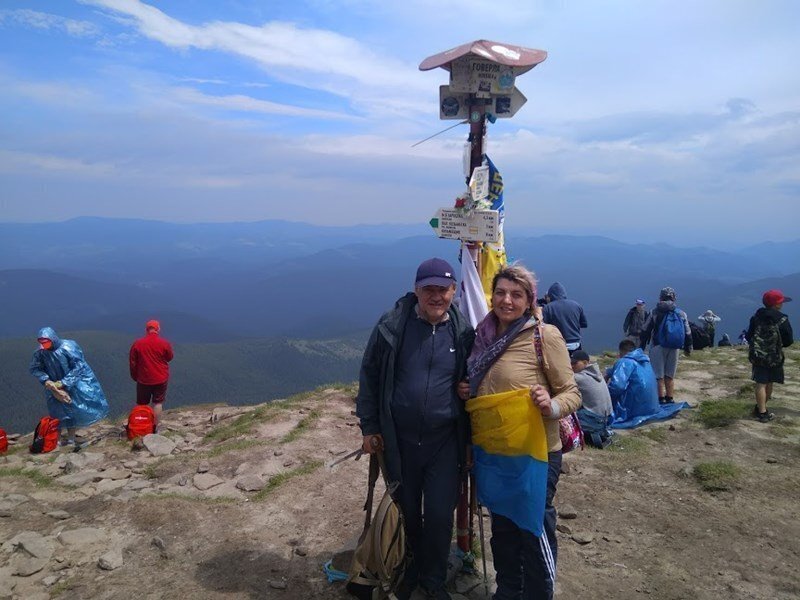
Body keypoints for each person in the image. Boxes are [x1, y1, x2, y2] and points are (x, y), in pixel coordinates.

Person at [356, 257, 475, 600]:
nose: (436, 296)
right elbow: (370, 376)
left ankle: (433, 580)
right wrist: (370, 427)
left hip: (444, 442)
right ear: (416, 290)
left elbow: (476, 376)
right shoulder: (392, 326)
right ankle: (408, 569)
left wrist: (470, 388)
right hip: (399, 441)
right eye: (429, 289)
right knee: (406, 510)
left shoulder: (463, 333)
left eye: (443, 289)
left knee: (438, 514)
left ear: (454, 291)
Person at [465, 265, 580, 600]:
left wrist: (550, 405)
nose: (507, 300)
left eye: (516, 295)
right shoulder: (483, 335)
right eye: (500, 292)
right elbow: (482, 384)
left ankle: (538, 593)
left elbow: (572, 393)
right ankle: (508, 591)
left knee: (532, 527)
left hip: (536, 451)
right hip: (495, 451)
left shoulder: (544, 336)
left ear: (530, 300)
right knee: (502, 527)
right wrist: (467, 389)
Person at [29, 327, 109, 446]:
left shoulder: (68, 347)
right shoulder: (40, 352)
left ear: (52, 339)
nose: (44, 345)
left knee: (72, 411)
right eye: (42, 342)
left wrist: (64, 382)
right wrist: (46, 380)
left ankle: (71, 438)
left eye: (46, 342)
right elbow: (35, 368)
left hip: (71, 385)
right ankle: (56, 439)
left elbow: (79, 366)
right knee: (56, 412)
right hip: (53, 387)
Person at [746, 289, 793, 423]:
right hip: (775, 357)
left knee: (760, 383)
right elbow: (788, 340)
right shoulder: (782, 319)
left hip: (758, 356)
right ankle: (762, 411)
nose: (782, 304)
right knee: (770, 382)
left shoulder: (756, 317)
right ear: (776, 304)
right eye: (781, 302)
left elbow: (749, 336)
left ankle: (761, 411)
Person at [640, 287, 692, 404]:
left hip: (657, 346)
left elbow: (645, 330)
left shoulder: (654, 312)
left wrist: (641, 347)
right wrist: (688, 348)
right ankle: (670, 398)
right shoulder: (681, 313)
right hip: (674, 346)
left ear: (661, 298)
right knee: (670, 375)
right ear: (674, 298)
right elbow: (688, 332)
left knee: (658, 375)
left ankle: (661, 399)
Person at [129, 319, 174, 428]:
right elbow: (169, 357)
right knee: (158, 403)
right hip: (161, 377)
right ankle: (155, 427)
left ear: (146, 329)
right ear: (158, 329)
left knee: (142, 404)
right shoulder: (164, 343)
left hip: (143, 379)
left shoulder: (137, 344)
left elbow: (133, 363)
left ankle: (141, 426)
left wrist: (135, 376)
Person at [607, 339, 659, 423]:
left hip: (635, 409)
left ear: (621, 351)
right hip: (652, 407)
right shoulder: (645, 360)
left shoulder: (624, 361)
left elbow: (617, 387)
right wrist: (610, 372)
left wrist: (605, 393)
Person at [571, 350, 613, 448]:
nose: (571, 366)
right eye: (571, 363)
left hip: (595, 419)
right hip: (607, 418)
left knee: (564, 409)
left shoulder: (578, 377)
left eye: (575, 363)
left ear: (585, 362)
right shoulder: (597, 374)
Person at [541, 282, 588, 355]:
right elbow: (584, 324)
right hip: (576, 344)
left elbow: (543, 327)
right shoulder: (576, 305)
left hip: (558, 344)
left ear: (550, 295)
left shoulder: (548, 308)